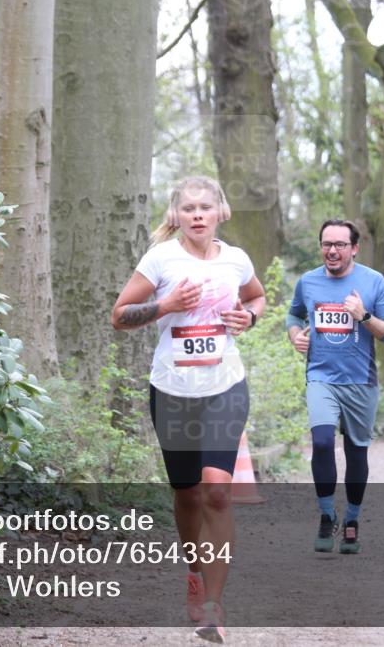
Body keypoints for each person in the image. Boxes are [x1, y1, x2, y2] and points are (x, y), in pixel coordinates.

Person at [111, 175, 265, 643]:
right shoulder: (161, 259)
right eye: (188, 208)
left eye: (205, 207)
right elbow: (119, 316)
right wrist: (165, 305)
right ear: (175, 215)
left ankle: (214, 608)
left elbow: (256, 296)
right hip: (173, 391)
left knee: (216, 492)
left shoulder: (236, 259)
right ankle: (195, 573)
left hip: (224, 387)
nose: (197, 215)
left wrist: (249, 316)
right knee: (188, 494)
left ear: (221, 212)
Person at [286, 220, 384, 554]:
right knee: (322, 442)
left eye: (339, 244)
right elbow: (293, 316)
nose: (332, 251)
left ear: (355, 248)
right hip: (321, 377)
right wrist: (295, 336)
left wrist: (364, 316)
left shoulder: (373, 281)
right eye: (326, 244)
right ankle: (326, 515)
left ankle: (351, 519)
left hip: (361, 381)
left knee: (356, 451)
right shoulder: (308, 281)